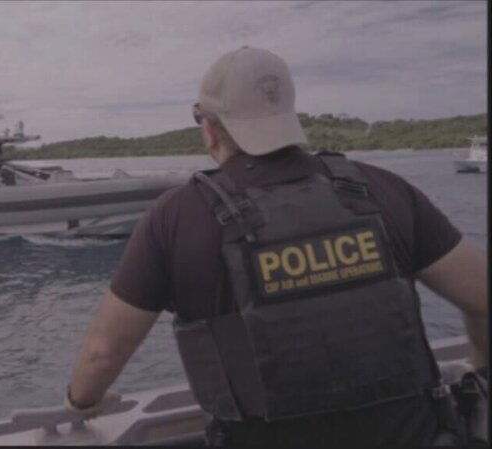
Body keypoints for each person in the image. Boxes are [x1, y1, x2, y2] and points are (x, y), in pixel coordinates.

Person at [64, 46, 488, 446]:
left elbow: (104, 352)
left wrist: (83, 401)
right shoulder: (381, 189)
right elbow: (482, 297)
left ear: (209, 129)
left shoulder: (174, 217)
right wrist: (480, 374)